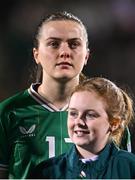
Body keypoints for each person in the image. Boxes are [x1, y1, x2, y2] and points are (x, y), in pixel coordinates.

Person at [0, 11, 90, 179]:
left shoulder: (107, 115)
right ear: (37, 55)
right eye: (54, 44)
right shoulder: (7, 113)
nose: (64, 52)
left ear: (86, 55)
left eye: (74, 44)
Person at [30, 77, 135, 179]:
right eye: (73, 113)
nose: (79, 121)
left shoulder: (130, 167)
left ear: (114, 123)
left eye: (90, 115)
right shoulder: (46, 172)